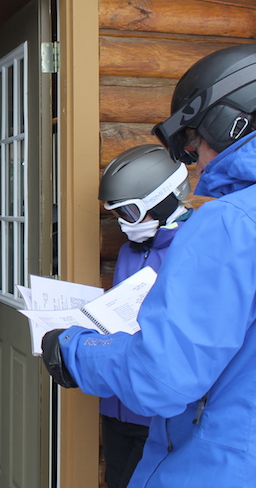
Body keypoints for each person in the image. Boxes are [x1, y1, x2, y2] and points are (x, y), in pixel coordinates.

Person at [41, 43, 256, 487]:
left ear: (226, 124)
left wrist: (74, 351)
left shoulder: (235, 223)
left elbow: (161, 377)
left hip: (231, 468)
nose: (193, 162)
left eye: (190, 143)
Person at [96, 144, 192, 488]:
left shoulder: (191, 249)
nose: (123, 225)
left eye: (131, 214)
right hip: (117, 400)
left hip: (157, 408)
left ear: (163, 200)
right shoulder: (128, 251)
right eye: (117, 215)